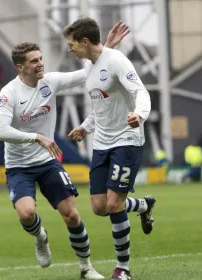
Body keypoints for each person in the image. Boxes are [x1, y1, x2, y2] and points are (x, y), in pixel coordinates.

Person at [0, 21, 129, 279]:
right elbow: (0, 131)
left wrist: (107, 47)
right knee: (26, 213)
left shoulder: (51, 82)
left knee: (72, 215)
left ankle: (86, 267)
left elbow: (85, 74)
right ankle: (40, 236)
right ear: (21, 67)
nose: (41, 64)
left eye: (41, 58)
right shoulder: (8, 93)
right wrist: (37, 138)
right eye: (34, 61)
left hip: (47, 162)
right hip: (19, 166)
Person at [63, 17, 155, 280]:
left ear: (84, 41)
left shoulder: (117, 61)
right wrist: (84, 127)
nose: (70, 48)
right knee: (99, 207)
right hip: (102, 144)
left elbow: (142, 92)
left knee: (114, 204)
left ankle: (122, 269)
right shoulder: (90, 66)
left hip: (127, 140)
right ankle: (143, 206)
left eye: (72, 44)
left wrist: (139, 114)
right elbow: (100, 106)